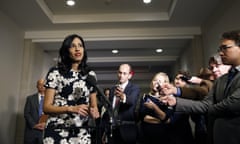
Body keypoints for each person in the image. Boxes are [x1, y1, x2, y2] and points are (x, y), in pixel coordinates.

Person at [160, 30, 240, 144]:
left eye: (225, 48)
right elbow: (205, 104)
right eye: (220, 49)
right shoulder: (222, 79)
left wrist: (209, 109)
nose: (221, 53)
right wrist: (175, 102)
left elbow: (231, 106)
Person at [43, 34, 100, 144]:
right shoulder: (55, 72)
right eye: (73, 46)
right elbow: (46, 107)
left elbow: (94, 106)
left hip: (81, 133)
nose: (77, 48)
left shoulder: (90, 75)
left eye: (80, 45)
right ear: (66, 51)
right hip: (57, 130)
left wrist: (94, 112)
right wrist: (71, 108)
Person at [107, 63, 140, 144]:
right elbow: (110, 109)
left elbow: (131, 101)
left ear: (130, 75)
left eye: (124, 73)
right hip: (113, 130)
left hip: (127, 130)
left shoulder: (134, 88)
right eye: (120, 72)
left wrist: (123, 96)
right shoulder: (112, 89)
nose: (121, 75)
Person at [24, 78, 46, 144]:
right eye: (40, 85)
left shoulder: (50, 100)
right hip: (31, 131)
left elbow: (52, 114)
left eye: (44, 85)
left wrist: (46, 124)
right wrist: (34, 125)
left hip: (44, 132)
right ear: (37, 86)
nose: (42, 86)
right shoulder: (30, 98)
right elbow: (26, 113)